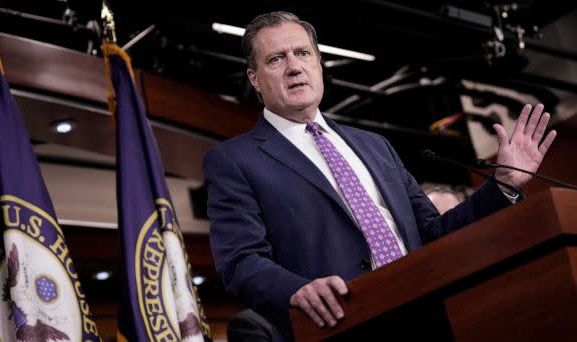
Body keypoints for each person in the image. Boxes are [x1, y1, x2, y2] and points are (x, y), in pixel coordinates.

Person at [203, 11, 557, 340]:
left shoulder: (374, 145)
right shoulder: (235, 160)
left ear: (319, 64)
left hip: (430, 315)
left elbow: (432, 233)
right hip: (340, 325)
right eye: (276, 59)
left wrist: (502, 185)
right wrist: (295, 290)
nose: (294, 67)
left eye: (303, 53)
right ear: (255, 78)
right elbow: (240, 261)